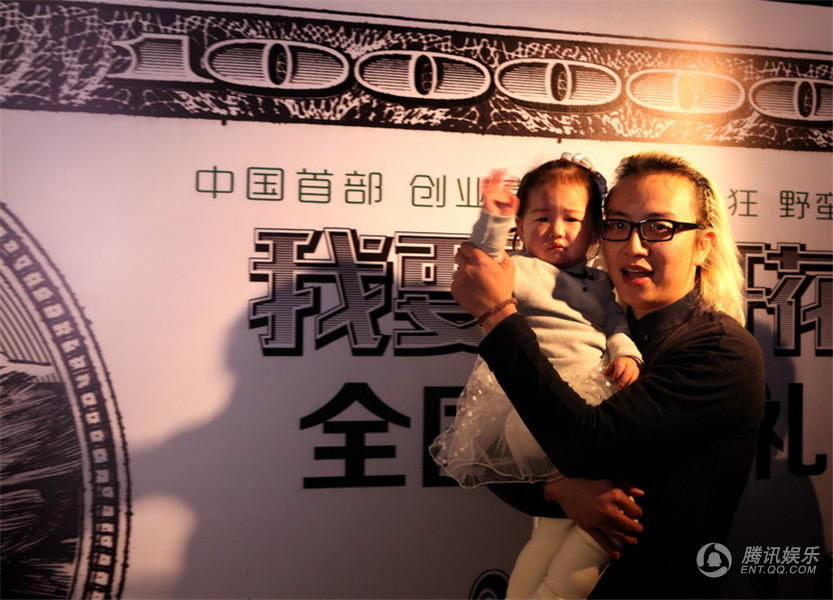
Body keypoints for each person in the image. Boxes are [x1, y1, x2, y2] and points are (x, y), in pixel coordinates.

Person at [450, 151, 765, 598]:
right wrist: (558, 491)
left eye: (659, 227)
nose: (633, 246)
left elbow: (584, 444)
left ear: (703, 244)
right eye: (618, 225)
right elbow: (505, 461)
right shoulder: (597, 325)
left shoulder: (719, 351)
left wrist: (498, 315)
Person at [431, 153, 642, 599]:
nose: (556, 230)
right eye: (541, 218)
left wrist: (626, 353)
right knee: (605, 525)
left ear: (595, 231)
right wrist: (493, 219)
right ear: (521, 227)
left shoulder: (602, 283)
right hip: (540, 414)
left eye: (572, 218)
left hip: (586, 400)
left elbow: (615, 324)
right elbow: (484, 264)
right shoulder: (523, 269)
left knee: (550, 531)